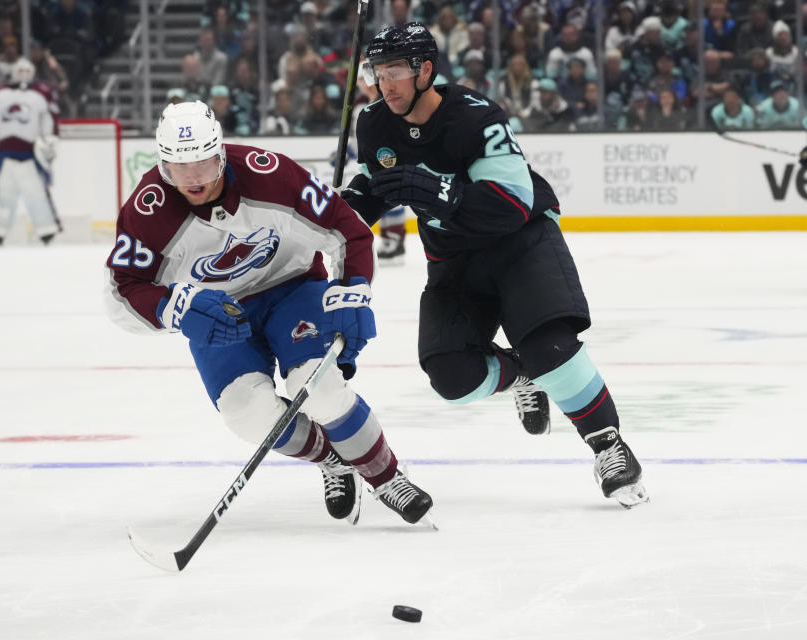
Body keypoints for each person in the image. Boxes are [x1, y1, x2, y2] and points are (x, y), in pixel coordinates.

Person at [341, 23, 649, 508]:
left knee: (551, 347)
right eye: (376, 72)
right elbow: (372, 189)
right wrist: (336, 215)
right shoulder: (375, 122)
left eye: (395, 70)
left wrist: (438, 192)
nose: (385, 84)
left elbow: (512, 201)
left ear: (425, 70)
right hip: (453, 259)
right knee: (451, 376)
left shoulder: (475, 116)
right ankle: (521, 374)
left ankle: (608, 445)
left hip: (519, 243)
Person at [104, 100, 433, 525]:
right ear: (162, 164)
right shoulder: (147, 211)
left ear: (221, 152)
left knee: (320, 386)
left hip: (292, 287)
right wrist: (175, 309)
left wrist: (352, 290)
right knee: (248, 415)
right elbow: (122, 290)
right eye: (179, 169)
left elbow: (346, 229)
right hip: (217, 310)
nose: (194, 180)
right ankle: (334, 458)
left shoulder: (270, 172)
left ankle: (386, 476)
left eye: (203, 165)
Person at [0, 58, 62, 245]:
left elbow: (48, 126)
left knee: (37, 194)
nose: (24, 75)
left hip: (30, 155)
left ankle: (47, 231)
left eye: (27, 71)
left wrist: (49, 143)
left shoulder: (39, 97)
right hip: (4, 156)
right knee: (3, 195)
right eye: (20, 71)